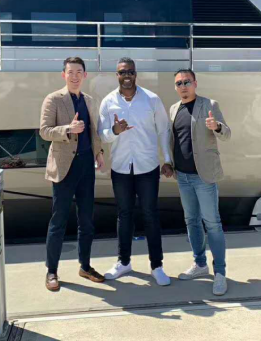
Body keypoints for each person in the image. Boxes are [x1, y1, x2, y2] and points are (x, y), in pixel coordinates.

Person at [98, 57, 173, 286]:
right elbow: (102, 136)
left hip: (147, 166)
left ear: (136, 74)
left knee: (150, 215)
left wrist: (167, 159)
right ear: (117, 75)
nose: (127, 76)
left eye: (130, 71)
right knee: (124, 215)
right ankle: (124, 262)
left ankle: (157, 266)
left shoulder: (152, 99)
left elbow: (163, 130)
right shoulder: (108, 102)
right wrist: (115, 130)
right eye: (122, 72)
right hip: (121, 167)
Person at [39, 57, 106, 291]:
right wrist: (68, 129)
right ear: (64, 75)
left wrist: (98, 152)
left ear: (85, 75)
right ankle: (51, 271)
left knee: (87, 220)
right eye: (70, 72)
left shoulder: (89, 100)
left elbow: (94, 131)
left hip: (86, 166)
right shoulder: (53, 99)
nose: (75, 76)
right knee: (58, 221)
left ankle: (85, 266)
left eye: (79, 72)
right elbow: (44, 131)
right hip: (64, 167)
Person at [169, 69, 231, 296]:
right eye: (179, 83)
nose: (183, 86)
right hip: (182, 176)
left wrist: (217, 127)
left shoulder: (209, 105)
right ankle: (200, 264)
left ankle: (220, 273)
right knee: (191, 221)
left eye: (187, 82)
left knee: (212, 223)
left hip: (203, 176)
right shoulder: (174, 109)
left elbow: (227, 134)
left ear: (195, 83)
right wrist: (169, 163)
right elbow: (174, 140)